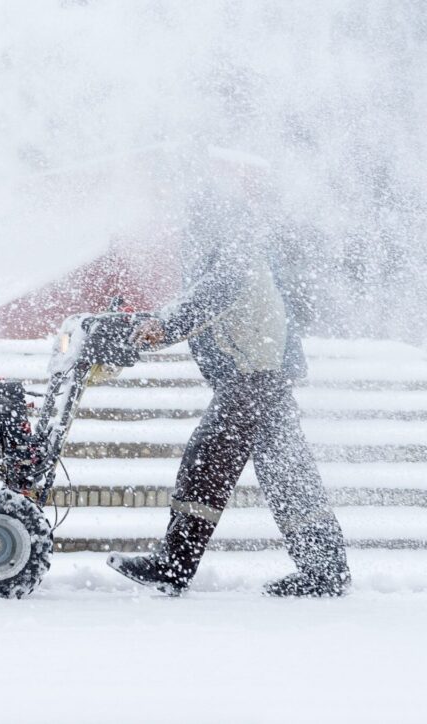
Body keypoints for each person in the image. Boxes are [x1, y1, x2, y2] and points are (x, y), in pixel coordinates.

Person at [106, 189, 351, 597]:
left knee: (205, 464)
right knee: (286, 474)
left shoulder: (236, 259)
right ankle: (325, 568)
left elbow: (205, 300)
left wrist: (160, 327)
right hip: (264, 381)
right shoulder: (239, 255)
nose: (186, 236)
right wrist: (150, 323)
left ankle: (173, 566)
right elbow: (201, 300)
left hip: (252, 382)